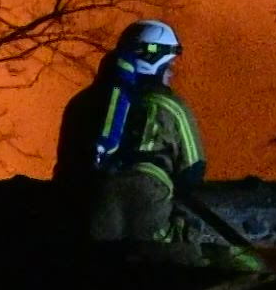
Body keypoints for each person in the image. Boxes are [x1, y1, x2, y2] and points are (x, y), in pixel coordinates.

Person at [54, 19, 206, 246]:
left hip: (82, 219)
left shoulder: (81, 102)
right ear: (155, 61)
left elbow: (64, 166)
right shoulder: (170, 106)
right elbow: (193, 169)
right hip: (148, 214)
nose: (171, 73)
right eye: (169, 66)